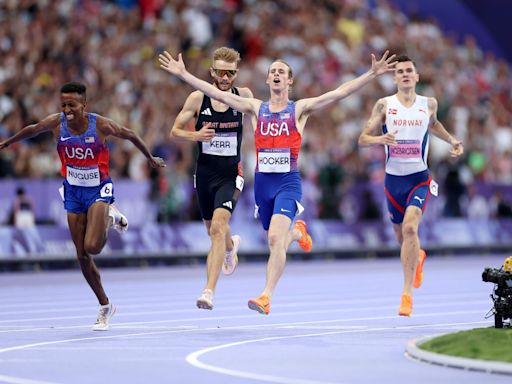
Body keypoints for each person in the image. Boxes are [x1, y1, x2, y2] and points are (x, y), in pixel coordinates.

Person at [159, 49, 397, 315]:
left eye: (281, 72)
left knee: (274, 239)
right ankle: (297, 232)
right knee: (280, 236)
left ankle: (266, 295)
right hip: (263, 185)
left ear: (289, 81)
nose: (276, 75)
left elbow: (339, 93)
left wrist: (371, 74)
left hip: (287, 182)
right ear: (267, 80)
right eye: (272, 71)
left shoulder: (300, 109)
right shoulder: (254, 108)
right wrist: (183, 74)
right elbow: (215, 93)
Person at [0, 82, 165, 330]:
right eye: (63, 104)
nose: (67, 109)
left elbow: (129, 134)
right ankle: (105, 306)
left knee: (93, 247)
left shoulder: (100, 125)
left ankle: (110, 214)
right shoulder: (57, 123)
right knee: (81, 255)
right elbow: (33, 130)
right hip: (73, 191)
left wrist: (149, 157)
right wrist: (8, 142)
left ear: (84, 105)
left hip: (98, 189)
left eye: (72, 105)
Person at [358, 55, 464, 316]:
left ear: (416, 77)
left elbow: (435, 124)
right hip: (393, 181)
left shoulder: (428, 104)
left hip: (419, 178)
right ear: (395, 78)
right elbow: (362, 139)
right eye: (401, 71)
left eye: (409, 71)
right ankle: (418, 257)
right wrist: (380, 138)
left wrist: (452, 140)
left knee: (409, 228)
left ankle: (406, 295)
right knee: (401, 236)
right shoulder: (384, 105)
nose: (405, 74)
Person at [170, 47, 253, 310]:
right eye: (220, 72)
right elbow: (175, 131)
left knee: (218, 228)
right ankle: (231, 247)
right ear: (212, 72)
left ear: (236, 73)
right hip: (204, 174)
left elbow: (260, 122)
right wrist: (196, 136)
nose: (225, 77)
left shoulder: (244, 96)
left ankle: (208, 291)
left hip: (231, 174)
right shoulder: (197, 98)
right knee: (212, 230)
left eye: (230, 73)